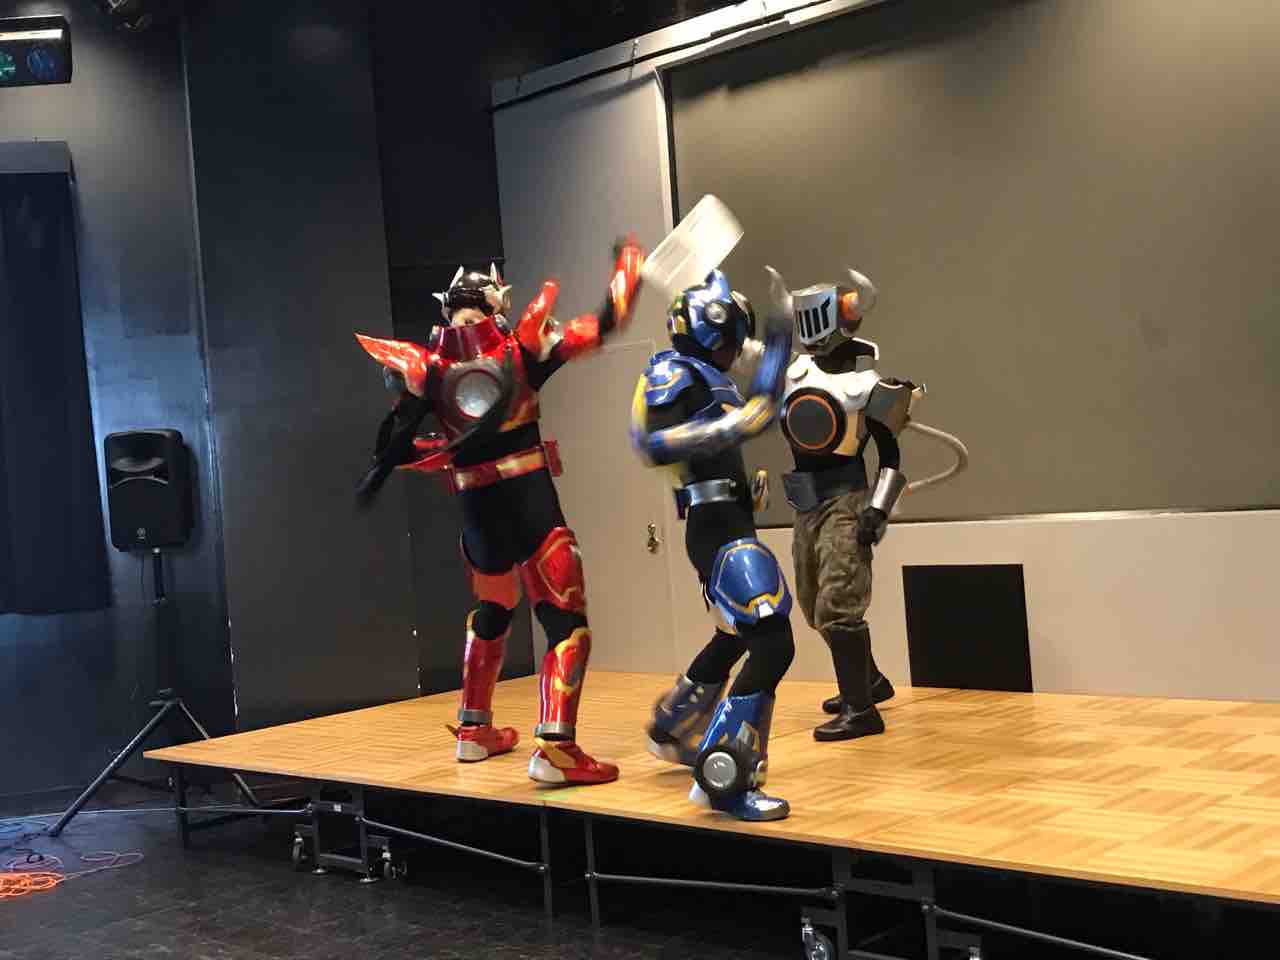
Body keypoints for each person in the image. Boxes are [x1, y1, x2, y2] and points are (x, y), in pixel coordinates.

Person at [354, 241, 644, 785]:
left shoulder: (429, 368)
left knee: (493, 608)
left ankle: (473, 729)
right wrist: (629, 267)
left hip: (475, 508)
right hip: (528, 498)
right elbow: (605, 322)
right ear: (496, 304)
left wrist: (425, 452)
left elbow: (395, 446)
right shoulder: (521, 348)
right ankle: (557, 748)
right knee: (564, 621)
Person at [630, 269, 795, 821]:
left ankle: (673, 726)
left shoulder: (703, 375)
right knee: (773, 642)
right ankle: (725, 777)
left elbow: (762, 409)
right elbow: (654, 444)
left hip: (727, 518)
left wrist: (780, 335)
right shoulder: (671, 371)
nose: (735, 349)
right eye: (734, 336)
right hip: (715, 525)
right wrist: (732, 428)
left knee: (734, 634)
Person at [769, 266, 915, 741]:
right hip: (805, 503)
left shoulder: (869, 386)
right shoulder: (793, 374)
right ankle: (869, 682)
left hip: (847, 500)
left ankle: (861, 710)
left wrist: (878, 509)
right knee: (812, 603)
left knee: (839, 602)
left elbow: (890, 455)